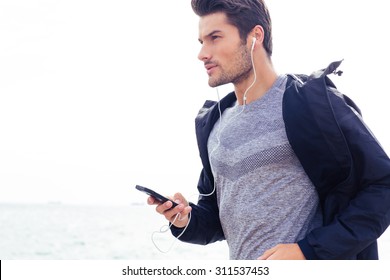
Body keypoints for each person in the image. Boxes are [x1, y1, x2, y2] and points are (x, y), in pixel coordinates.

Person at [147, 0, 390, 260]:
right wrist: (185, 220)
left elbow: (383, 185)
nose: (203, 53)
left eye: (215, 38)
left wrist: (307, 252)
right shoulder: (214, 125)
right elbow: (219, 218)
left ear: (255, 36)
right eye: (201, 42)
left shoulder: (311, 103)